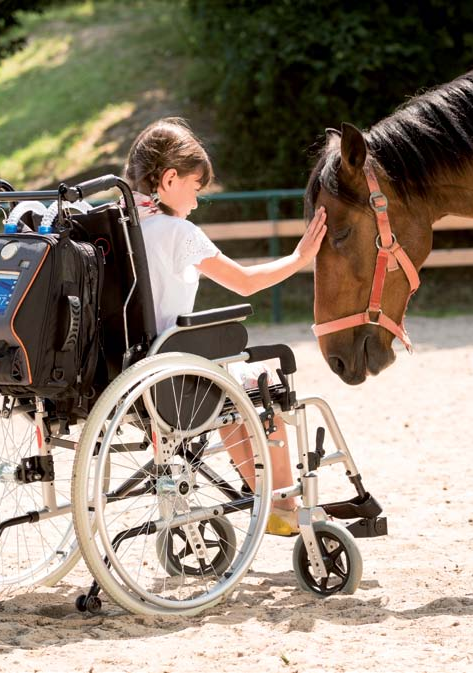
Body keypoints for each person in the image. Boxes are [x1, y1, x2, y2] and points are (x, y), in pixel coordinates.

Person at [125, 117, 326, 535]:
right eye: (196, 190)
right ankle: (283, 499)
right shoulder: (177, 232)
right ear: (169, 178)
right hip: (172, 373)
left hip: (125, 373)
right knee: (261, 383)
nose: (197, 203)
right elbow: (246, 282)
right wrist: (300, 258)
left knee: (234, 394)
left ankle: (269, 501)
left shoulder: (115, 226)